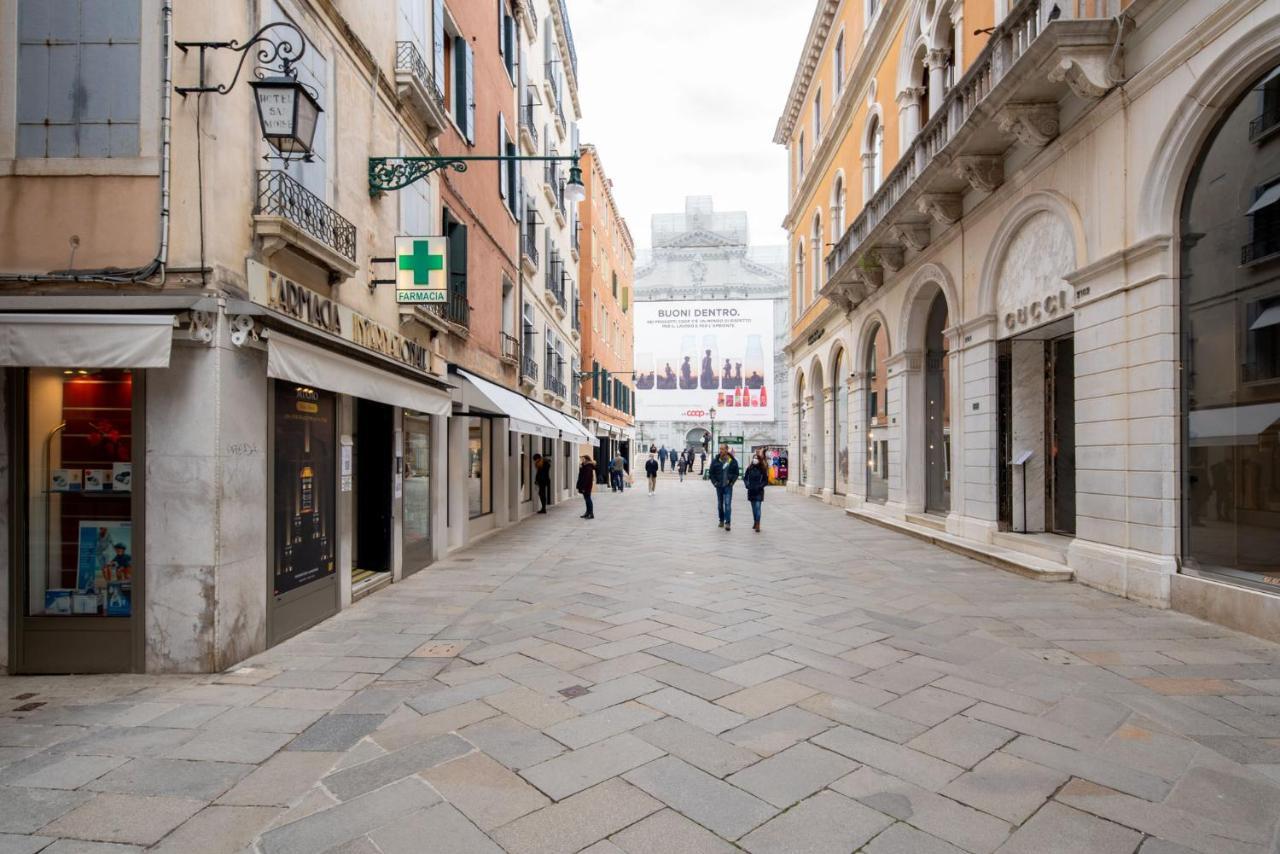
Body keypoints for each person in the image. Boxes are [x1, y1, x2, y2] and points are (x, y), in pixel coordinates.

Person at [708, 443, 740, 531]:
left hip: (728, 487)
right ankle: (721, 520)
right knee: (720, 505)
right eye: (720, 449)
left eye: (722, 449)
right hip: (719, 486)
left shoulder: (732, 461)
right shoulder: (716, 460)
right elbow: (711, 473)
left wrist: (732, 482)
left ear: (726, 450)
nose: (721, 451)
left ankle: (728, 522)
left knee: (727, 504)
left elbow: (736, 473)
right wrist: (714, 483)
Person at [744, 452, 769, 532]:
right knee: (754, 508)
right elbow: (745, 478)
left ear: (759, 460)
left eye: (757, 458)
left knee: (758, 507)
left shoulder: (762, 469)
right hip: (751, 490)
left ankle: (758, 524)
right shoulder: (749, 468)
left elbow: (766, 481)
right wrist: (747, 485)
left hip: (759, 491)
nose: (755, 459)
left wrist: (760, 486)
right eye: (754, 458)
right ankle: (755, 521)